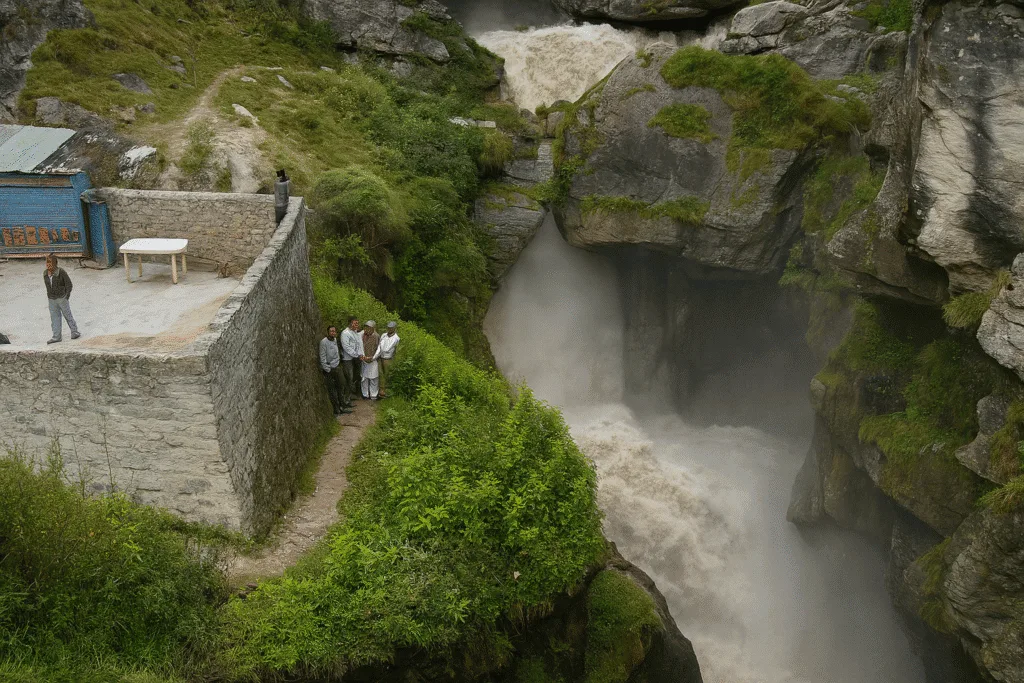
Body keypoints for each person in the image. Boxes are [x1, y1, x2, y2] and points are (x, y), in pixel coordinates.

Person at [43, 253, 80, 344]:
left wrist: (66, 296)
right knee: (54, 318)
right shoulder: (45, 274)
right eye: (47, 263)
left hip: (62, 298)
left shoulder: (61, 272)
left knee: (67, 315)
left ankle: (74, 331)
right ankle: (56, 336)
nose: (48, 265)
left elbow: (69, 284)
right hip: (52, 299)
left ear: (55, 264)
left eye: (50, 263)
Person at [319, 326, 352, 416]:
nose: (333, 333)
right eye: (331, 331)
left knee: (341, 386)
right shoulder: (324, 342)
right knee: (332, 391)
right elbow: (322, 357)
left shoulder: (335, 340)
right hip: (329, 369)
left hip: (337, 367)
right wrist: (327, 369)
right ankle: (336, 409)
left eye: (334, 331)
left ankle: (342, 406)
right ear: (328, 332)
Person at [340, 316, 364, 399]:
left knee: (356, 377)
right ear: (350, 323)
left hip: (356, 358)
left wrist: (361, 354)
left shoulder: (356, 333)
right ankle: (346, 398)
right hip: (348, 359)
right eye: (355, 323)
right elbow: (346, 347)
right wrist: (356, 355)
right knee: (349, 378)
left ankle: (352, 395)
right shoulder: (345, 333)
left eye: (357, 323)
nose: (357, 325)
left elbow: (360, 345)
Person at [377, 321, 400, 398]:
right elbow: (380, 345)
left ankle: (386, 391)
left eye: (391, 328)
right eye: (388, 327)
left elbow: (394, 349)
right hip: (380, 357)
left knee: (387, 374)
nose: (389, 329)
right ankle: (380, 390)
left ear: (394, 328)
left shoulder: (396, 338)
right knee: (380, 374)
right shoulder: (384, 335)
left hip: (388, 359)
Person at [360, 320, 381, 400]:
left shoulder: (377, 336)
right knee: (364, 379)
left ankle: (373, 395)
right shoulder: (362, 335)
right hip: (364, 359)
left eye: (369, 327)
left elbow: (379, 349)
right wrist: (362, 356)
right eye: (366, 327)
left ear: (373, 328)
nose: (367, 329)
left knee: (374, 378)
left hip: (373, 360)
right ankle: (365, 394)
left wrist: (373, 357)